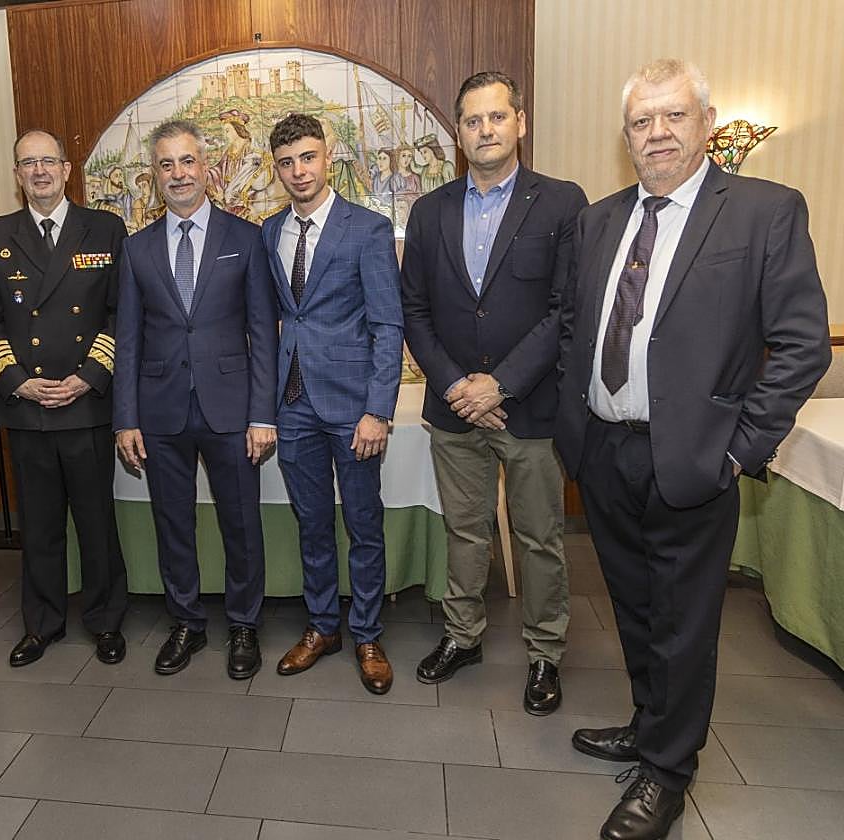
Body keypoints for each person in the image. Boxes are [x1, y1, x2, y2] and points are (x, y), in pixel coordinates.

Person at [556, 59, 829, 840]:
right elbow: (579, 327)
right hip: (604, 453)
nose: (658, 134)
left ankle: (668, 773)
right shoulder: (599, 220)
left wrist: (741, 450)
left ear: (706, 123)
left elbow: (803, 344)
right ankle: (650, 727)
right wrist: (578, 431)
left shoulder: (762, 212)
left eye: (674, 116)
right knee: (635, 609)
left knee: (685, 621)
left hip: (697, 460)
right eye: (642, 122)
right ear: (626, 137)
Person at [401, 71, 587, 716]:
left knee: (539, 537)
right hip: (454, 409)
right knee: (465, 531)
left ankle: (544, 653)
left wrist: (499, 383)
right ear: (459, 132)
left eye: (496, 118)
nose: (485, 131)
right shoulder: (429, 211)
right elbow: (414, 310)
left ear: (520, 122)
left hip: (529, 407)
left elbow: (566, 311)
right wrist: (457, 385)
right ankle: (463, 636)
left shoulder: (563, 204)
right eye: (473, 121)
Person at [113, 119, 278, 679]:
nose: (178, 174)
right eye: (166, 164)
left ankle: (243, 625)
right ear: (154, 176)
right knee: (172, 523)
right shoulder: (134, 250)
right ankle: (185, 620)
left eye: (187, 162)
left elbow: (264, 331)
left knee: (241, 522)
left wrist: (262, 414)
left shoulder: (245, 238)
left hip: (232, 409)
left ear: (205, 168)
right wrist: (125, 419)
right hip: (159, 411)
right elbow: (128, 339)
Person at [0, 129, 129, 669]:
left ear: (67, 169)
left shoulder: (104, 228)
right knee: (38, 526)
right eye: (26, 163)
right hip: (28, 406)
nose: (38, 171)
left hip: (86, 403)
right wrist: (16, 379)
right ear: (16, 175)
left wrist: (90, 374)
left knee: (96, 521)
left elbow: (118, 312)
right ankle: (42, 624)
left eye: (48, 161)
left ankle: (106, 620)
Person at [262, 113, 404, 694]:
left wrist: (379, 409)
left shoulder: (367, 229)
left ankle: (367, 631)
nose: (299, 171)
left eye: (308, 158)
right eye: (288, 163)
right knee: (312, 524)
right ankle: (324, 625)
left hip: (352, 408)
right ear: (277, 169)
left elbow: (387, 324)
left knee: (363, 523)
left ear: (329, 157)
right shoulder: (269, 232)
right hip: (292, 404)